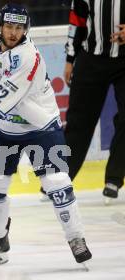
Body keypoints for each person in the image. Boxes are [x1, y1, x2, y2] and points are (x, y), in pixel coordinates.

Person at [0, 4, 92, 267]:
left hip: (40, 126)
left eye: (19, 28)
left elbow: (1, 100)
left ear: (26, 30)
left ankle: (76, 238)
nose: (13, 33)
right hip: (6, 129)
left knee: (57, 183)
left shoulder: (28, 57)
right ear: (0, 25)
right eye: (9, 27)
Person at [63, 0, 125, 204]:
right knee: (78, 122)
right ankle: (61, 179)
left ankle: (114, 179)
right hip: (91, 57)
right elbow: (77, 22)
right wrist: (70, 60)